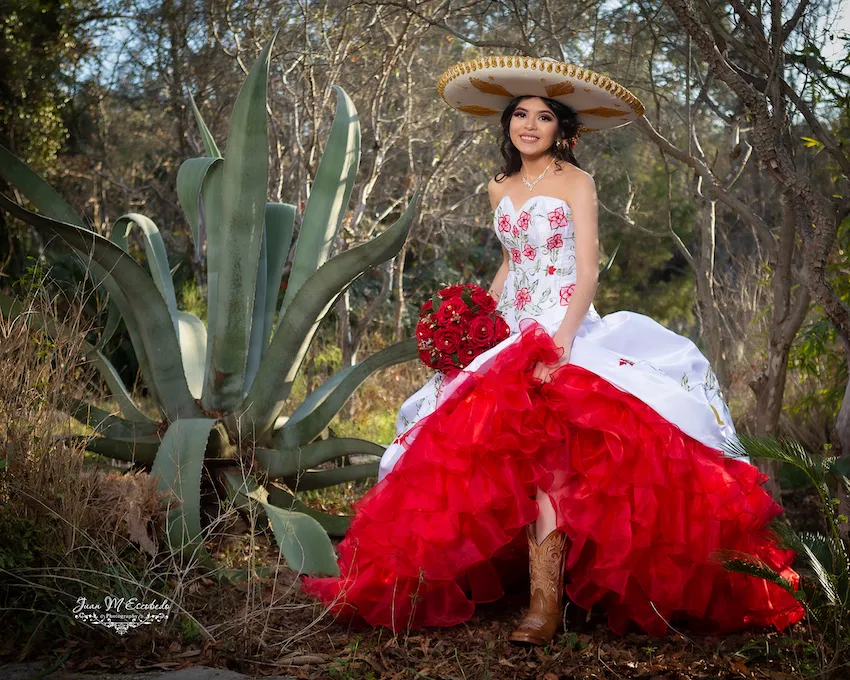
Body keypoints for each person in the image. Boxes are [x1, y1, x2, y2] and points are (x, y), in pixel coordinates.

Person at [300, 56, 805, 644]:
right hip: (510, 329)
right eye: (519, 114)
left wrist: (559, 343)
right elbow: (512, 263)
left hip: (564, 326)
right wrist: (474, 319)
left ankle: (544, 608)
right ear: (508, 124)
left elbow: (587, 271)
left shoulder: (575, 181)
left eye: (543, 116)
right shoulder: (499, 187)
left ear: (563, 129)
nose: (529, 125)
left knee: (558, 462)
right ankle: (490, 584)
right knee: (470, 454)